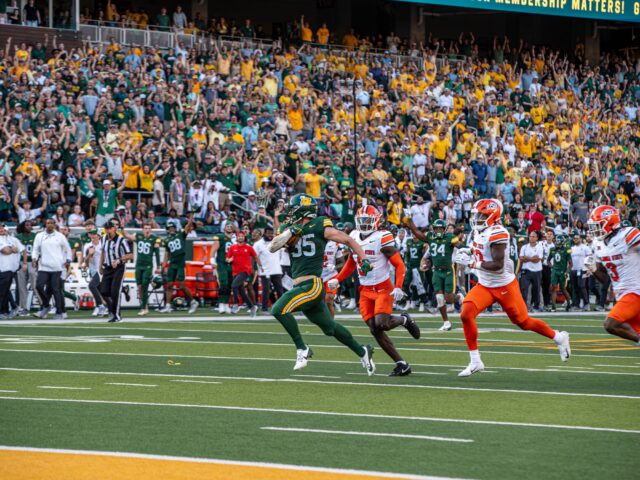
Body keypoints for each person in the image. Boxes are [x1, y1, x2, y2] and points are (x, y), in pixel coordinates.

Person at [453, 199, 571, 377]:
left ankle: (559, 337)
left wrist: (471, 263)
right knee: (466, 313)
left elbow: (498, 264)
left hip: (504, 285)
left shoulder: (499, 233)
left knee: (523, 322)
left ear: (493, 216)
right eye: (477, 214)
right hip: (485, 285)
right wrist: (468, 251)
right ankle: (476, 361)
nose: (477, 218)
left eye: (482, 215)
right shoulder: (480, 231)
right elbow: (480, 248)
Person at [268, 194, 375, 375]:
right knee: (330, 328)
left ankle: (302, 348)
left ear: (303, 209)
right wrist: (290, 232)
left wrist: (363, 258)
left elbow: (347, 239)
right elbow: (273, 247)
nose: (290, 212)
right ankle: (362, 351)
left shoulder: (319, 224)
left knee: (278, 309)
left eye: (294, 208)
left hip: (312, 284)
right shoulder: (289, 227)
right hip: (299, 285)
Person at [329, 205, 420, 376]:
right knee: (374, 328)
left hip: (382, 287)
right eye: (361, 221)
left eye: (367, 221)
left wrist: (399, 286)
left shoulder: (382, 237)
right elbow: (352, 261)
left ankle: (404, 319)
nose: (364, 224)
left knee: (383, 323)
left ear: (376, 221)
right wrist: (338, 279)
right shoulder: (353, 236)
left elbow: (399, 264)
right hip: (365, 288)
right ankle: (401, 364)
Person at [585, 206, 640, 346]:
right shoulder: (598, 244)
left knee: (611, 324)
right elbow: (604, 279)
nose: (594, 230)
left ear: (610, 223)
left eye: (597, 226)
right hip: (621, 294)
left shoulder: (628, 235)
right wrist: (593, 269)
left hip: (635, 291)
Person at [405, 218, 462, 330]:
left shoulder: (450, 237)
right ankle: (446, 322)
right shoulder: (431, 238)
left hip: (448, 270)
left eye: (441, 228)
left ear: (444, 229)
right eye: (436, 228)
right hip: (436, 271)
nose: (439, 230)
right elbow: (421, 238)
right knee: (440, 298)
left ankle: (460, 297)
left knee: (449, 298)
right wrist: (411, 224)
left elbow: (460, 245)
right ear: (433, 229)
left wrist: (470, 250)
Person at [32, 218, 72, 320]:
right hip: (43, 266)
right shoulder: (39, 236)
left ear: (54, 225)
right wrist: (34, 259)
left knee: (56, 289)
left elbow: (67, 249)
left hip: (57, 267)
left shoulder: (60, 236)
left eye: (51, 223)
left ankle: (59, 312)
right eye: (47, 223)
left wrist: (68, 259)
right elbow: (35, 249)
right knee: (39, 286)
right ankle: (46, 305)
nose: (49, 225)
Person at [159, 219, 198, 314]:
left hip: (180, 262)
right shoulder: (166, 240)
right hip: (172, 263)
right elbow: (166, 254)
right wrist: (163, 266)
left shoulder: (180, 234)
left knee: (181, 285)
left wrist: (191, 216)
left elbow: (188, 227)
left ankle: (193, 302)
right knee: (169, 285)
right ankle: (168, 305)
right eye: (169, 228)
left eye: (172, 227)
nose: (171, 229)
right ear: (167, 229)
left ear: (175, 228)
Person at [122, 223, 161, 316]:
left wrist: (158, 267)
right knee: (139, 287)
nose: (147, 230)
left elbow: (157, 253)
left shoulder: (155, 239)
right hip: (139, 265)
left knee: (144, 286)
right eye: (145, 228)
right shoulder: (138, 236)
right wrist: (122, 227)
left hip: (148, 266)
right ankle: (145, 307)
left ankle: (144, 308)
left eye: (149, 228)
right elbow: (127, 236)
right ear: (142, 229)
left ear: (151, 230)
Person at [98, 219, 133, 322]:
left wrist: (119, 259)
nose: (108, 231)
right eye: (106, 228)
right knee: (103, 291)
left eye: (109, 228)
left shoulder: (121, 240)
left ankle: (117, 315)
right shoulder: (103, 239)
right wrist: (100, 266)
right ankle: (112, 310)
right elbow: (103, 252)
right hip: (107, 267)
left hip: (118, 268)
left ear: (114, 229)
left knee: (115, 292)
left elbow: (131, 255)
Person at [226, 230, 260, 316]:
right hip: (235, 272)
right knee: (241, 291)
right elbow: (227, 258)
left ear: (244, 237)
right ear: (236, 238)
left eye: (242, 236)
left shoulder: (248, 247)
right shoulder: (232, 248)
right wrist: (229, 260)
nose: (240, 237)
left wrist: (261, 267)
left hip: (245, 271)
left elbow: (255, 257)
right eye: (239, 236)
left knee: (234, 285)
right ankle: (252, 307)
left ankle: (236, 304)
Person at [252, 227, 284, 314]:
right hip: (265, 271)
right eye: (268, 233)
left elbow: (281, 253)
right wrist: (259, 266)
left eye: (271, 233)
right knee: (266, 290)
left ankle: (282, 308)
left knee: (280, 290)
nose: (270, 235)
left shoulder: (276, 241)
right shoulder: (258, 244)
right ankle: (264, 309)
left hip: (277, 269)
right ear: (264, 233)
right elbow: (254, 256)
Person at [210, 223, 235, 314]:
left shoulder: (235, 239)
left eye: (230, 226)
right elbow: (213, 249)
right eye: (227, 226)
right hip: (221, 263)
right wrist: (212, 259)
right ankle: (221, 304)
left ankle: (226, 304)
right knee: (223, 283)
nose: (229, 227)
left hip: (231, 264)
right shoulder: (220, 236)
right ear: (224, 228)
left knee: (229, 285)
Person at [82, 229, 108, 316]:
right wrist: (89, 255)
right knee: (101, 291)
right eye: (91, 234)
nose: (92, 236)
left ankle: (100, 306)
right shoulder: (87, 245)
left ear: (99, 236)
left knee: (92, 286)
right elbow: (85, 261)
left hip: (101, 269)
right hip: (92, 270)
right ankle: (108, 307)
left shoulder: (103, 245)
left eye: (94, 234)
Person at [0, 222, 23, 318]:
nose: (2, 231)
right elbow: (6, 251)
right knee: (4, 291)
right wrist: (11, 249)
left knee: (3, 291)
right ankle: (11, 307)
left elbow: (18, 250)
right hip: (3, 267)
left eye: (3, 229)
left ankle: (4, 311)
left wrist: (11, 249)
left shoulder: (10, 239)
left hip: (6, 268)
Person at [15, 220, 38, 315]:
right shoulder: (18, 237)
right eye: (26, 225)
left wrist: (36, 261)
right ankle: (23, 307)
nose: (29, 226)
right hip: (21, 262)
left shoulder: (35, 236)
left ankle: (43, 305)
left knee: (35, 285)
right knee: (21, 287)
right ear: (23, 227)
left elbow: (38, 250)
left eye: (30, 225)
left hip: (32, 262)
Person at [519, 231, 544, 312]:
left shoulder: (540, 247)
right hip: (526, 270)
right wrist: (531, 258)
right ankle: (524, 306)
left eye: (533, 236)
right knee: (524, 288)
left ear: (537, 238)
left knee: (536, 289)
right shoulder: (524, 247)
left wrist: (527, 258)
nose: (531, 238)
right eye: (530, 236)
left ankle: (536, 306)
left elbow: (537, 259)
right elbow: (521, 258)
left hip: (537, 271)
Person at [548, 234, 572, 312]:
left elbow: (571, 263)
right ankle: (553, 306)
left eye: (559, 241)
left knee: (563, 289)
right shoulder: (552, 249)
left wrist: (567, 271)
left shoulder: (566, 250)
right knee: (553, 288)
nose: (557, 243)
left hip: (563, 271)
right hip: (555, 271)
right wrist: (551, 266)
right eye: (557, 241)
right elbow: (548, 260)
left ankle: (569, 304)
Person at [569, 233, 591, 311]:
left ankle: (586, 303)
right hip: (574, 269)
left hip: (583, 269)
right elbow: (569, 259)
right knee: (574, 288)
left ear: (581, 239)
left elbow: (590, 257)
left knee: (582, 286)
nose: (576, 240)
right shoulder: (571, 248)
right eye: (574, 238)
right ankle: (576, 304)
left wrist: (589, 268)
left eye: (577, 238)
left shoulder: (585, 247)